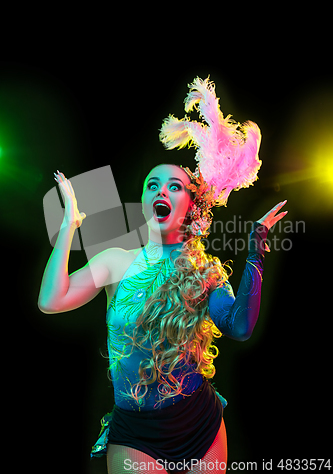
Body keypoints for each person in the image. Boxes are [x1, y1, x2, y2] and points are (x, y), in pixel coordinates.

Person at [38, 77, 288, 474]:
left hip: (199, 425)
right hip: (136, 434)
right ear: (144, 204)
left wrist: (255, 252)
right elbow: (51, 301)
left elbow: (239, 327)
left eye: (176, 186)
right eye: (153, 184)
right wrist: (70, 224)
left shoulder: (203, 273)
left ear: (191, 207)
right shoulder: (115, 261)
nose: (163, 191)